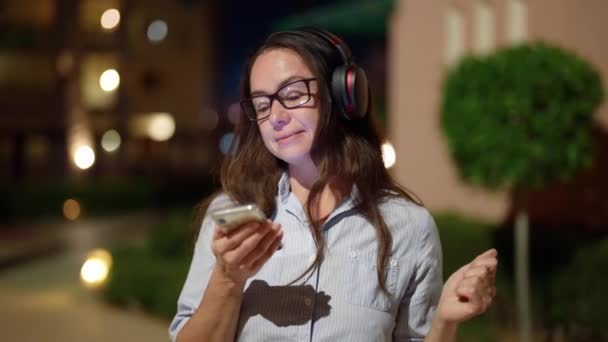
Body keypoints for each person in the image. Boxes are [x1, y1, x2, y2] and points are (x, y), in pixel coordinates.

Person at [169, 27, 498, 342]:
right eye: (262, 105)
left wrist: (445, 322)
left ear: (343, 95)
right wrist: (228, 279)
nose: (276, 116)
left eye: (293, 94)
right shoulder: (231, 215)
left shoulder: (408, 226)